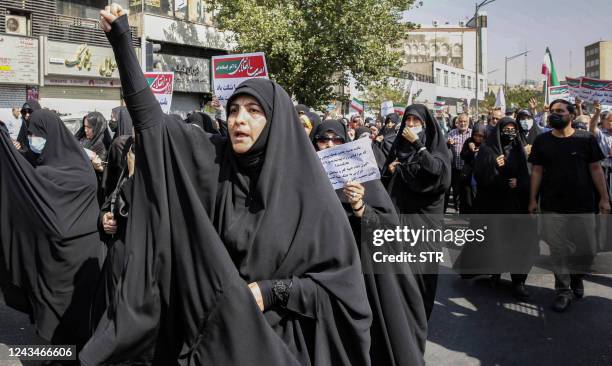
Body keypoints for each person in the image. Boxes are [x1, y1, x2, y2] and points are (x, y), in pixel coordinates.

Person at [82, 7, 372, 365]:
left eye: (253, 111)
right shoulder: (215, 162)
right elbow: (154, 127)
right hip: (215, 341)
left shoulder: (313, 198)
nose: (239, 120)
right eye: (234, 110)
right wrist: (123, 41)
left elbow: (343, 292)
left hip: (279, 346)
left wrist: (273, 291)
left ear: (275, 122)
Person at [314, 120, 427, 366]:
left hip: (363, 272)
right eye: (323, 140)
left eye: (337, 140)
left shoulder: (362, 177)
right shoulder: (306, 176)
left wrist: (360, 207)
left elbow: (388, 227)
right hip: (325, 275)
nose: (330, 145)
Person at [0, 109, 104, 349]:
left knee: (66, 321)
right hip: (71, 256)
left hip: (69, 259)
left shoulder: (52, 173)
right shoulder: (78, 167)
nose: (33, 138)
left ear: (51, 134)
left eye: (37, 134)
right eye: (31, 133)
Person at [528, 99, 611, 312]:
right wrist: (532, 200)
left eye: (560, 111)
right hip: (553, 206)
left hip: (583, 206)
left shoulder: (587, 139)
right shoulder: (542, 141)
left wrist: (604, 198)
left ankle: (577, 277)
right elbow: (536, 171)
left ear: (571, 115)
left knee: (588, 249)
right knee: (558, 249)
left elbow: (596, 169)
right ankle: (563, 290)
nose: (554, 114)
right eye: (552, 111)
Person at [381, 104, 452, 320]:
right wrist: (389, 171)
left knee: (423, 274)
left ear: (425, 124)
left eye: (416, 122)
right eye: (408, 121)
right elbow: (384, 182)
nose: (411, 126)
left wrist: (418, 144)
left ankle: (421, 317)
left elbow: (438, 174)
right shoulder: (398, 148)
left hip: (426, 222)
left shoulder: (436, 148)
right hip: (400, 220)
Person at [461, 118, 536, 300]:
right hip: (493, 204)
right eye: (506, 129)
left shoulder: (522, 149)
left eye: (513, 129)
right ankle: (494, 274)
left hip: (516, 205)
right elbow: (480, 175)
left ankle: (518, 281)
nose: (510, 132)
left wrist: (520, 182)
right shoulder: (488, 149)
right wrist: (495, 166)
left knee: (519, 244)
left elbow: (531, 172)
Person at [445, 113, 472, 213]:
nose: (463, 123)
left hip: (468, 168)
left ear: (468, 122)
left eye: (465, 121)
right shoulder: (452, 133)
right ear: (457, 122)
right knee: (456, 190)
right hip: (455, 167)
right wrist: (448, 143)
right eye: (461, 121)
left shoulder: (472, 133)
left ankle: (464, 209)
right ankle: (457, 207)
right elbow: (445, 145)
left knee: (466, 191)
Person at [458, 122, 487, 214]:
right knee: (468, 198)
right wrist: (471, 151)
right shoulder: (468, 142)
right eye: (475, 135)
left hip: (483, 176)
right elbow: (462, 155)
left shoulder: (487, 143)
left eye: (480, 136)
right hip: (470, 176)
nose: (478, 138)